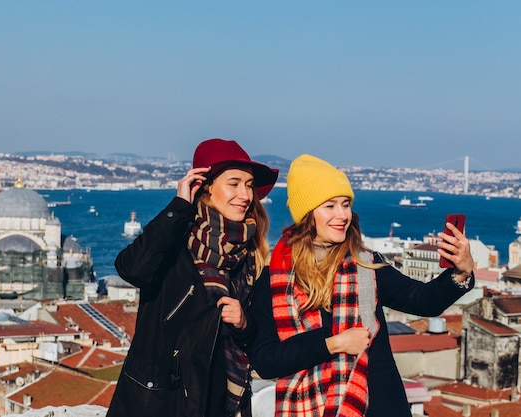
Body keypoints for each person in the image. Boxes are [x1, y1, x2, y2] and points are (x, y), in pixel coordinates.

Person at [249, 154, 474, 417]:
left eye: (346, 204)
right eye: (330, 206)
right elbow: (265, 360)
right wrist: (332, 343)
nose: (342, 215)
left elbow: (423, 300)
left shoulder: (366, 265)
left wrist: (461, 272)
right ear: (307, 214)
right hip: (313, 407)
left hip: (381, 406)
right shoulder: (274, 279)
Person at [107, 138, 279, 417]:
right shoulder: (174, 241)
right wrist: (178, 205)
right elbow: (131, 268)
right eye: (234, 183)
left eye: (249, 185)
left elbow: (260, 343)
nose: (245, 195)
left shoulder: (252, 255)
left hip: (221, 400)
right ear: (205, 186)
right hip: (161, 402)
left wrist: (244, 324)